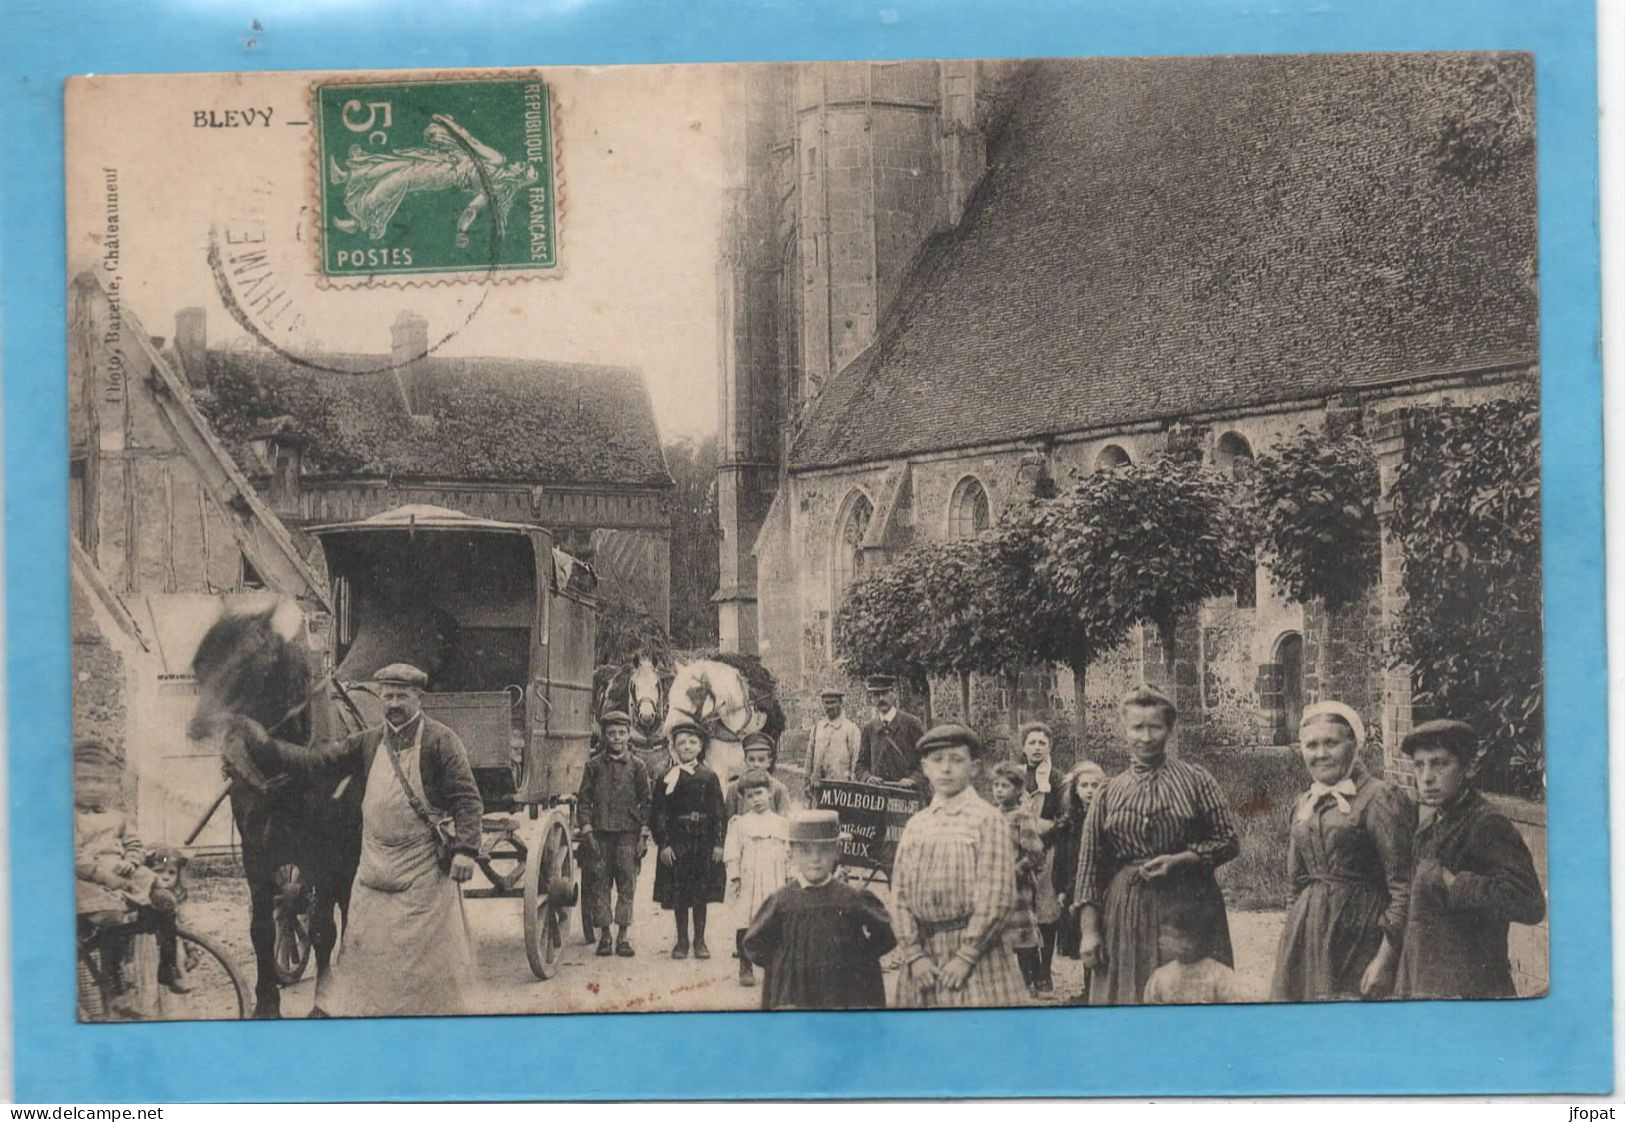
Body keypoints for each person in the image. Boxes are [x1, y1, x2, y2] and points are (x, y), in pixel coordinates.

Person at [267, 663, 483, 1017]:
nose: (393, 703)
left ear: (418, 697)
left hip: (422, 869)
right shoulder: (369, 741)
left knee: (423, 957)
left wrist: (466, 850)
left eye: (401, 695)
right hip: (374, 867)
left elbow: (467, 799)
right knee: (365, 947)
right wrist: (272, 750)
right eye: (388, 695)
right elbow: (322, 760)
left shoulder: (441, 741)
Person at [1073, 685, 1239, 1006]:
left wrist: (1183, 859)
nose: (1146, 737)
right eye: (1137, 727)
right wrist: (1090, 931)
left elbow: (1228, 841)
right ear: (1124, 729)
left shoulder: (1196, 780)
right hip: (1127, 909)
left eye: (1155, 727)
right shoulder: (1109, 792)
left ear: (1170, 728)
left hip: (1189, 907)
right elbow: (1089, 867)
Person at [1270, 702, 1415, 1002]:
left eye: (1331, 743)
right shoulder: (1304, 804)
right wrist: (1293, 940)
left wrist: (1385, 959)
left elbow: (1404, 887)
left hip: (1361, 935)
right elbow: (1295, 884)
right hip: (1309, 934)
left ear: (1354, 745)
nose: (1320, 754)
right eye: (1311, 745)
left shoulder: (1379, 798)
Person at [1394, 719, 1546, 999]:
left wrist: (1452, 883)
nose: (1427, 777)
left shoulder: (1486, 823)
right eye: (1420, 765)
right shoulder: (1431, 824)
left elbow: (1530, 903)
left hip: (1472, 987)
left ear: (1468, 768)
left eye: (1439, 764)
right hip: (1426, 983)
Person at [891, 723, 1030, 1008]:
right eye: (937, 760)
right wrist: (915, 956)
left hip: (976, 959)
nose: (946, 769)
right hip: (924, 962)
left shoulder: (987, 820)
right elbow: (900, 896)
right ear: (925, 767)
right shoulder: (917, 824)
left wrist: (967, 955)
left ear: (974, 768)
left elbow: (997, 896)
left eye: (956, 760)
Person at [743, 810, 897, 1010]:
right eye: (806, 851)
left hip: (841, 994)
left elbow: (887, 933)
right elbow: (754, 942)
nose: (815, 858)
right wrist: (783, 964)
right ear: (791, 854)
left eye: (823, 850)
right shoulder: (782, 900)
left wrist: (859, 958)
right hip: (795, 994)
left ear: (836, 852)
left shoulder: (852, 898)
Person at [74, 739, 187, 1009]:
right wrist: (106, 876)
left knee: (166, 902)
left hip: (125, 875)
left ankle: (168, 968)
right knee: (112, 917)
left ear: (110, 785)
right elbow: (75, 857)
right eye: (83, 780)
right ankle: (115, 986)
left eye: (99, 781)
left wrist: (132, 861)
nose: (92, 787)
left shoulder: (118, 817)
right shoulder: (69, 818)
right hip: (90, 880)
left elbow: (134, 845)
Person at [576, 710, 652, 958]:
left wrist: (643, 834)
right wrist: (587, 830)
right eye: (611, 733)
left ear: (629, 734)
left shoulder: (638, 767)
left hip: (627, 837)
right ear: (604, 736)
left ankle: (623, 936)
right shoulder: (593, 766)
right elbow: (584, 801)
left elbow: (647, 802)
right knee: (600, 884)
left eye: (621, 733)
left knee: (627, 884)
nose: (617, 738)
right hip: (599, 836)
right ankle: (605, 935)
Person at [651, 719, 728, 960]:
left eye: (692, 742)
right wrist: (663, 844)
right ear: (673, 746)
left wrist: (718, 843)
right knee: (680, 892)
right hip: (678, 841)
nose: (687, 747)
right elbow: (658, 813)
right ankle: (682, 940)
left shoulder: (709, 776)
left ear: (701, 745)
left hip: (703, 842)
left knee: (700, 893)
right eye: (681, 742)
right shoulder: (667, 776)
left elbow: (719, 812)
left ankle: (700, 941)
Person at [724, 769, 791, 986]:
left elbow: (789, 854)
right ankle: (745, 965)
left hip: (774, 879)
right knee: (745, 922)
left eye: (760, 793)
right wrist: (734, 877)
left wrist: (790, 878)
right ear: (744, 799)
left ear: (770, 792)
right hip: (749, 880)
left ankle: (774, 966)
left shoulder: (782, 824)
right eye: (750, 796)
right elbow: (732, 853)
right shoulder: (739, 824)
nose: (756, 799)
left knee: (773, 923)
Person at [1051, 760, 1107, 1003]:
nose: (1089, 790)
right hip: (1075, 887)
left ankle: (1102, 991)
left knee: (1103, 936)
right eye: (1084, 785)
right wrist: (1061, 888)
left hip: (1102, 886)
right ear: (1075, 790)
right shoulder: (1071, 821)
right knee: (1084, 938)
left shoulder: (1108, 818)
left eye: (1095, 785)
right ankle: (1088, 990)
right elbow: (1062, 858)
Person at [1017, 722, 1066, 993]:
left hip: (1048, 851)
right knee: (1023, 911)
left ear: (1049, 747)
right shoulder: (1016, 774)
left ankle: (1044, 972)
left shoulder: (1057, 779)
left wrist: (1046, 831)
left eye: (1042, 743)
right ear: (1023, 747)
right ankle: (1028, 971)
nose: (1037, 748)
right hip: (1021, 853)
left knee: (1046, 911)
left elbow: (1065, 817)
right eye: (1032, 743)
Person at [990, 760, 1046, 994]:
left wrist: (1016, 870)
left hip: (1018, 888)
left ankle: (1028, 982)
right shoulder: (991, 816)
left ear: (1018, 790)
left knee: (1022, 934)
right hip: (994, 887)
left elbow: (1035, 853)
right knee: (998, 934)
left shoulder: (1023, 817)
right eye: (996, 785)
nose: (999, 790)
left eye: (1005, 786)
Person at [1143, 900, 1246, 1005]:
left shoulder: (1220, 976)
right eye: (1164, 935)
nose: (1162, 940)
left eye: (1174, 937)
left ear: (1195, 938)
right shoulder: (1160, 978)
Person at [855, 675, 926, 788]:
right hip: (878, 797)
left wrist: (913, 780)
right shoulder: (869, 728)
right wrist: (867, 778)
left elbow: (926, 760)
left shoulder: (911, 723)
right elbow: (860, 766)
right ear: (872, 699)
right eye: (876, 695)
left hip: (908, 796)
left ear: (893, 694)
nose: (881, 699)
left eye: (885, 693)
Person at [724, 731, 793, 818]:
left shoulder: (779, 789)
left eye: (761, 760)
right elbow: (729, 822)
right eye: (751, 760)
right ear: (745, 761)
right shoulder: (734, 789)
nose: (756, 764)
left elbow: (785, 823)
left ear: (769, 762)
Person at [807, 687, 862, 786]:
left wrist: (854, 784)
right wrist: (807, 781)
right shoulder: (817, 728)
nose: (829, 706)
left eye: (833, 702)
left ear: (841, 703)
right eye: (826, 703)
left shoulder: (851, 729)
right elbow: (809, 757)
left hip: (842, 789)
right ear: (822, 704)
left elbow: (856, 760)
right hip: (819, 786)